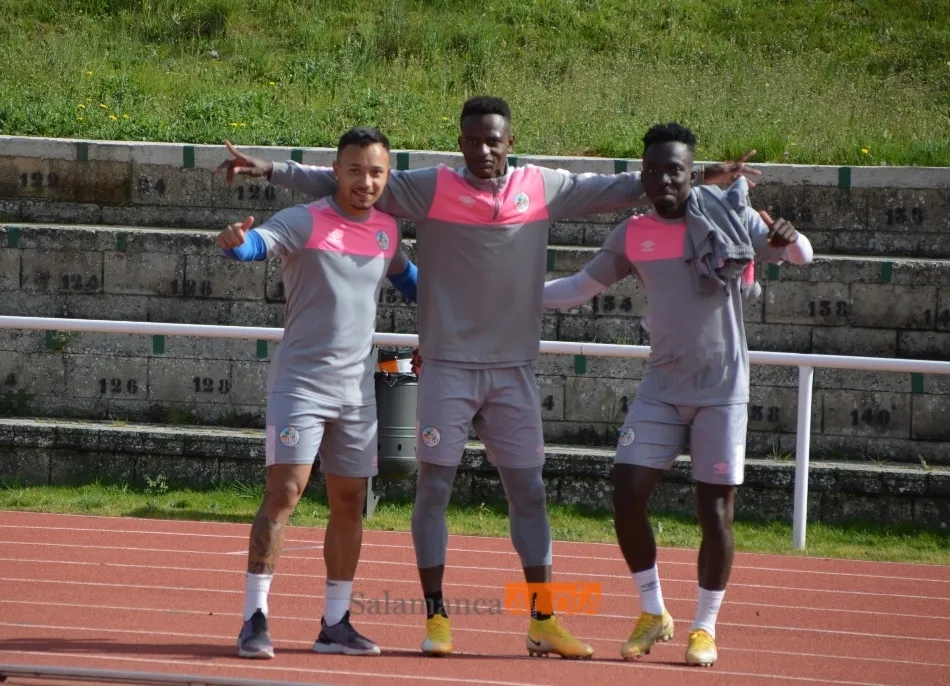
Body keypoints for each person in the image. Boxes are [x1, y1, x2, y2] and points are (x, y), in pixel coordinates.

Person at [217, 97, 760, 660]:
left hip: (513, 371)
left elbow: (627, 186)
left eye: (493, 140)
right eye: (472, 140)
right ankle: (434, 620)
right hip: (446, 368)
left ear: (509, 139)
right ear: (459, 142)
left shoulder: (542, 185)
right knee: (430, 491)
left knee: (528, 492)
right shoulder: (428, 188)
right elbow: (354, 176)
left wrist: (704, 180)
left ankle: (543, 620)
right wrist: (273, 169)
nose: (483, 150)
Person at [540, 122, 814, 667]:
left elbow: (804, 256)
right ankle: (653, 611)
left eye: (676, 170)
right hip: (661, 389)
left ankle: (705, 627)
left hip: (721, 390)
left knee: (715, 511)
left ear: (693, 175)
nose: (665, 178)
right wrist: (507, 294)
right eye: (655, 169)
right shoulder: (632, 234)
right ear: (642, 176)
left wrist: (788, 236)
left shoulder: (727, 218)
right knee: (626, 490)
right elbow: (576, 290)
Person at [220, 126, 419, 660]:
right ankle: (253, 619)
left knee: (351, 503)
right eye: (355, 170)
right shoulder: (304, 220)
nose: (366, 181)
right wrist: (240, 245)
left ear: (387, 176)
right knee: (284, 494)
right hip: (301, 386)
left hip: (356, 392)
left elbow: (412, 281)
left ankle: (335, 624)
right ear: (336, 171)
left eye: (376, 172)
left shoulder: (387, 230)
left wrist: (465, 297)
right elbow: (259, 243)